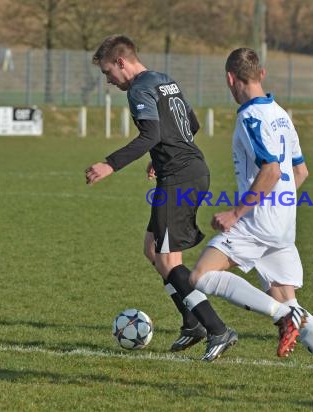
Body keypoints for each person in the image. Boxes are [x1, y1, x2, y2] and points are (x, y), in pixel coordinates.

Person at [170, 47, 313, 399]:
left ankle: (281, 317)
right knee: (290, 303)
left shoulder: (250, 117)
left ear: (231, 79)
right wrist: (279, 205)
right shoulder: (280, 114)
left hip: (258, 222)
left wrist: (236, 214)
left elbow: (272, 170)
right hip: (282, 223)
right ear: (260, 74)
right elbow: (300, 171)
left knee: (200, 277)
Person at [85, 34, 237, 361]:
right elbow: (190, 124)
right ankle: (191, 322)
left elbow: (151, 134)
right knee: (153, 248)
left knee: (168, 261)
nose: (109, 81)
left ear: (121, 62)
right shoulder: (164, 81)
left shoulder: (140, 88)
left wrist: (109, 164)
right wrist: (159, 158)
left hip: (180, 178)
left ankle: (217, 328)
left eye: (108, 72)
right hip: (188, 171)